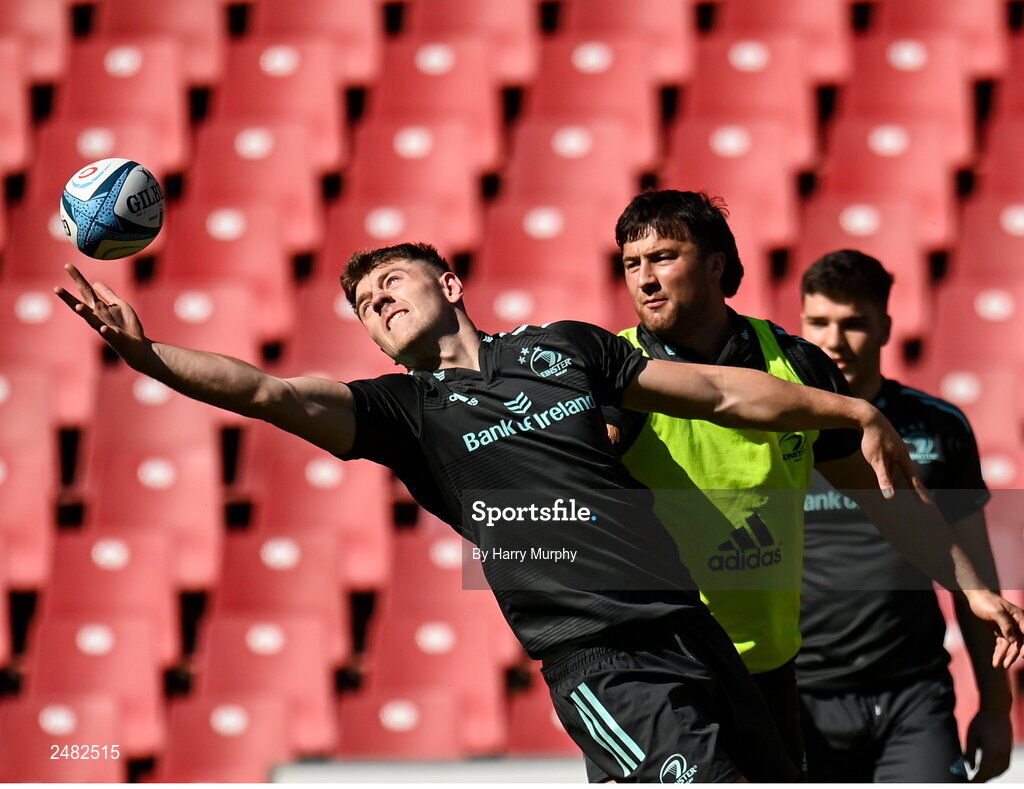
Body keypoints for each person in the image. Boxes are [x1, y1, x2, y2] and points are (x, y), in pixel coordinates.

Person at [54, 244, 1017, 784]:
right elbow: (266, 390)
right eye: (362, 302)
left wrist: (849, 410)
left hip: (694, 629)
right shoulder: (405, 414)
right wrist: (154, 358)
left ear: (452, 283)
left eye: (391, 279)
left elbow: (725, 397)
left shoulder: (566, 349)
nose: (375, 300)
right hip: (600, 655)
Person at [604, 189, 1020, 779]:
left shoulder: (797, 365)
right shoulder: (608, 374)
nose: (644, 279)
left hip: (775, 673)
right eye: (631, 264)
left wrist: (971, 587)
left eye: (664, 257)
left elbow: (885, 502)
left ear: (717, 263)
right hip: (666, 676)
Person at [796, 249, 1013, 782]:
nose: (833, 341)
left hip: (913, 696)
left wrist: (997, 707)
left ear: (887, 327)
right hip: (799, 697)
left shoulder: (939, 427)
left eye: (854, 325)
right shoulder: (776, 427)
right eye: (818, 322)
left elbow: (975, 577)